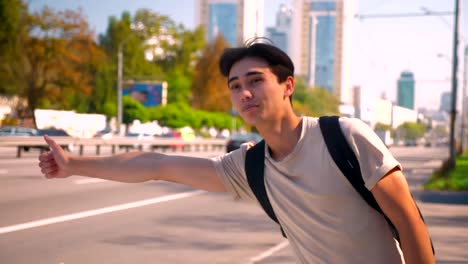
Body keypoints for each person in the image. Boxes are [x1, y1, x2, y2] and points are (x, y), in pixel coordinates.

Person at [38, 40, 434, 264]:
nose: (244, 92)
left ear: (287, 86)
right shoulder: (250, 166)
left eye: (255, 80)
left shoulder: (344, 136)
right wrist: (74, 164)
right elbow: (155, 163)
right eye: (234, 85)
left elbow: (409, 221)